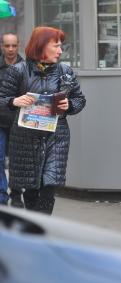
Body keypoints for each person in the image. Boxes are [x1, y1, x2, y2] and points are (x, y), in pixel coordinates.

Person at [0, 27, 86, 214]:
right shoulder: (18, 71)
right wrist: (14, 101)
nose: (60, 51)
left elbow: (80, 100)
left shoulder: (65, 71)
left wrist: (69, 105)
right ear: (41, 47)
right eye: (56, 46)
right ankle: (34, 230)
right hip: (25, 139)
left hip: (57, 137)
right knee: (31, 189)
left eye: (61, 46)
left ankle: (42, 228)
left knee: (49, 186)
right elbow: (2, 98)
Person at [0, 33, 24, 206]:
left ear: (18, 45)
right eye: (7, 45)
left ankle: (16, 193)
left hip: (18, 122)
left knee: (17, 160)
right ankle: (2, 195)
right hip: (0, 121)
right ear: (2, 46)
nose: (10, 49)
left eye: (13, 45)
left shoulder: (26, 67)